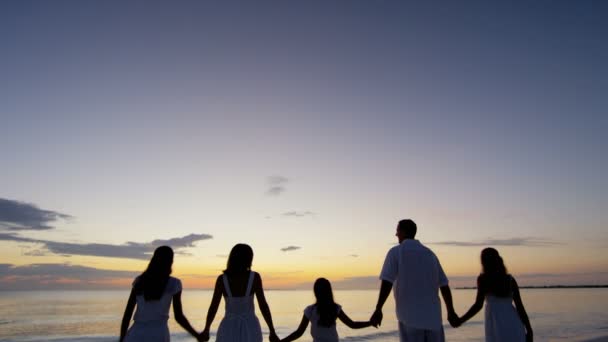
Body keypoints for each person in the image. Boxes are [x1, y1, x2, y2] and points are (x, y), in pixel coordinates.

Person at [371, 219, 458, 342]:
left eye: (397, 231)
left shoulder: (396, 252)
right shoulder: (430, 254)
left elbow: (387, 282)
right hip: (434, 320)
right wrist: (451, 312)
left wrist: (378, 308)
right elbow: (444, 285)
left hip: (410, 319)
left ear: (403, 232)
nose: (396, 234)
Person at [120, 246, 201, 342]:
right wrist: (196, 335)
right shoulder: (174, 284)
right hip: (158, 334)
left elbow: (127, 314)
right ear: (170, 261)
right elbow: (179, 317)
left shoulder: (140, 281)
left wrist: (122, 338)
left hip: (136, 333)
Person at [201, 243, 279, 342]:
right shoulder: (255, 277)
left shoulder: (222, 279)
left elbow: (213, 306)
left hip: (228, 328)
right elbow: (263, 305)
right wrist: (272, 330)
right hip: (250, 327)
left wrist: (207, 328)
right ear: (248, 259)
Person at [455, 248, 533, 342]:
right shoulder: (510, 280)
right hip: (513, 324)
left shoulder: (483, 279)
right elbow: (520, 307)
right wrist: (529, 329)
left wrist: (461, 320)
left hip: (496, 326)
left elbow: (478, 305)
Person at [279, 278, 376, 342]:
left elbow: (298, 333)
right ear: (329, 291)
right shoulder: (335, 309)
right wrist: (370, 323)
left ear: (315, 292)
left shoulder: (310, 310)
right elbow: (352, 324)